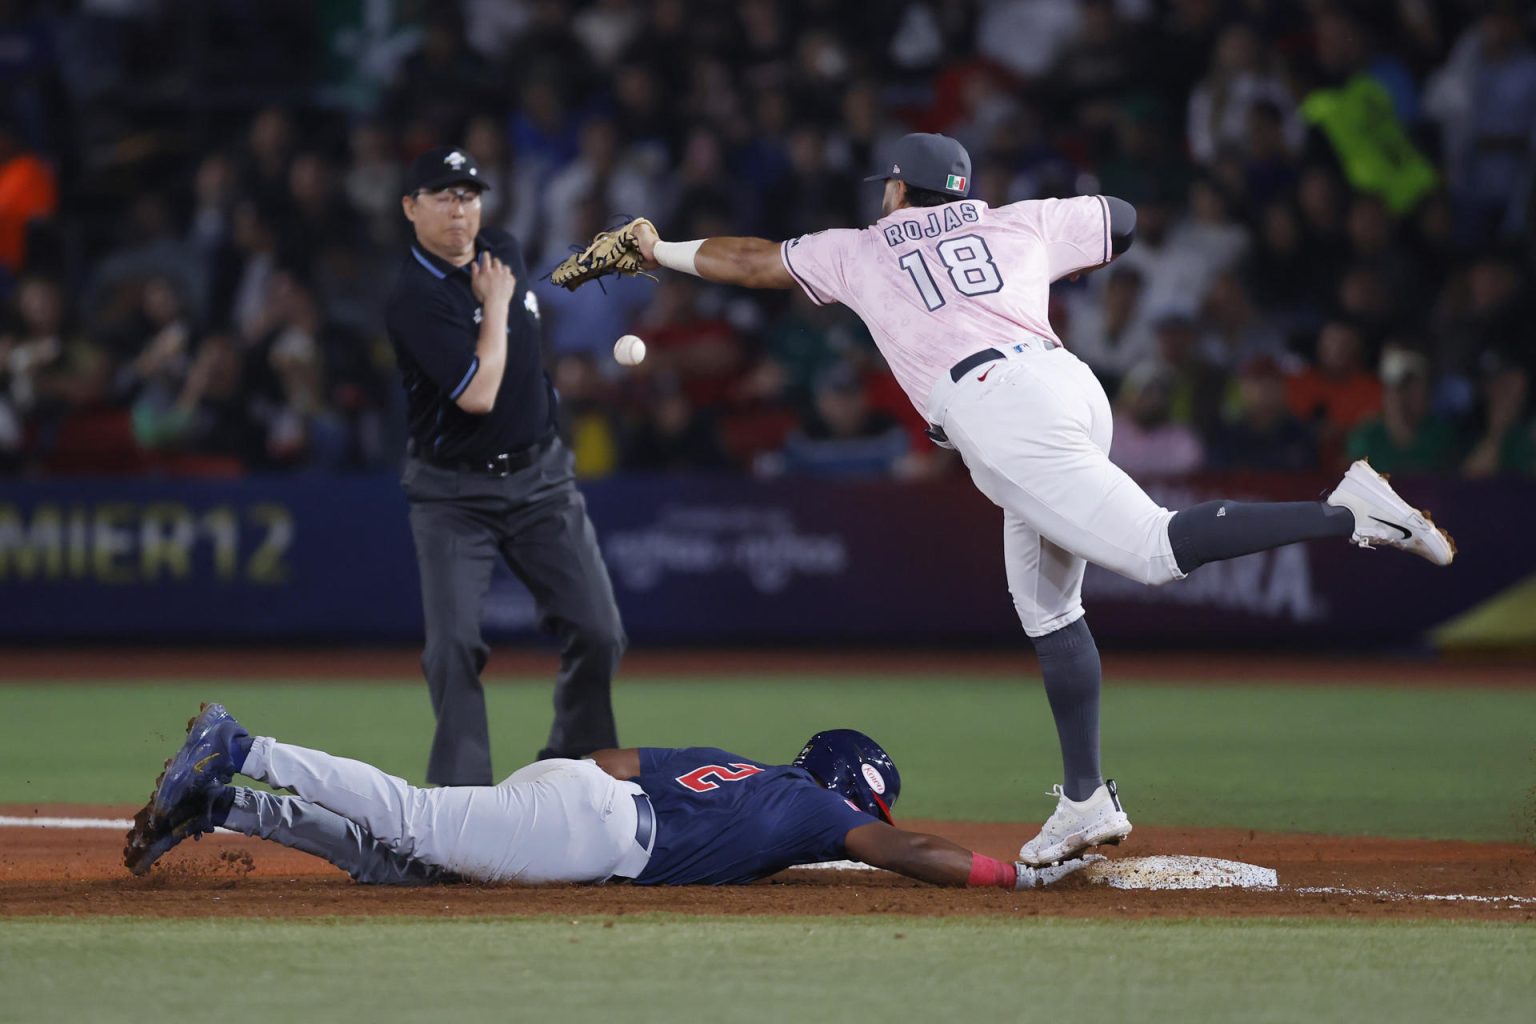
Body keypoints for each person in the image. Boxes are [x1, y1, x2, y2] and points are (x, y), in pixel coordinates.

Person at [624, 132, 1455, 867]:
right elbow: (1121, 217)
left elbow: (752, 260)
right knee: (1050, 610)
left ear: (898, 189)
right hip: (1064, 382)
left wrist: (657, 249)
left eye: (889, 184)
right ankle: (1085, 799)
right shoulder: (1013, 220)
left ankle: (1350, 509)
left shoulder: (864, 245)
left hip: (996, 406)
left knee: (1154, 549)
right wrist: (1024, 229)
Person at [123, 704, 1094, 892]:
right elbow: (908, 849)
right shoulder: (808, 809)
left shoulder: (740, 765)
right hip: (592, 829)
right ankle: (243, 746)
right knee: (413, 821)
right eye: (862, 811)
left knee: (400, 865)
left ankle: (223, 807)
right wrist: (1011, 876)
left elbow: (612, 752)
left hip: (577, 787)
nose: (859, 830)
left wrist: (530, 799)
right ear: (851, 789)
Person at [384, 146, 626, 786]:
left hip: (541, 480)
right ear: (411, 208)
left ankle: (577, 773)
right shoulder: (414, 297)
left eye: (468, 195)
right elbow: (478, 394)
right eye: (442, 196)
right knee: (453, 649)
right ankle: (463, 804)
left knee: (599, 632)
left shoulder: (505, 250)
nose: (460, 209)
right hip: (452, 495)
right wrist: (495, 304)